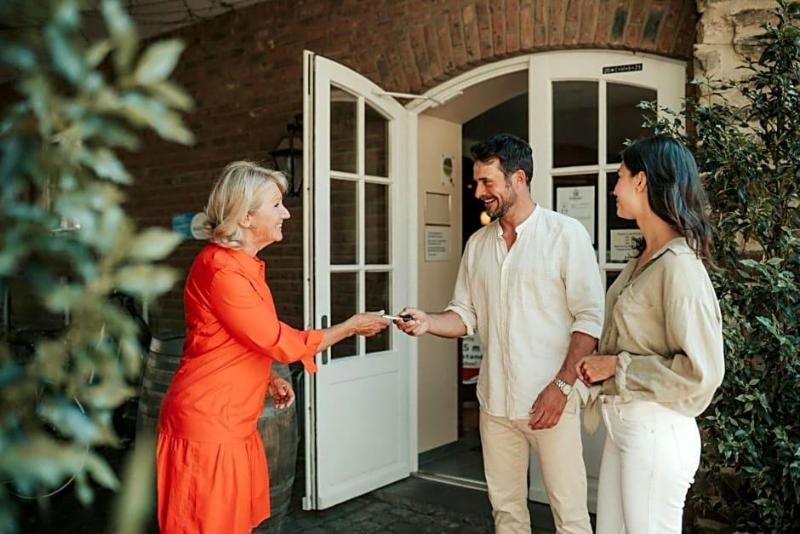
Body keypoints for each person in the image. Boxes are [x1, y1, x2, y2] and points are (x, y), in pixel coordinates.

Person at [156, 161, 389, 534]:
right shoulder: (223, 270)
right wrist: (349, 328)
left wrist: (267, 378)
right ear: (246, 217)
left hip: (231, 422)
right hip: (209, 424)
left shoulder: (240, 265)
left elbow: (236, 338)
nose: (286, 213)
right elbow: (276, 340)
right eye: (276, 205)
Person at [396, 134, 604, 534]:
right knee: (506, 513)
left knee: (571, 515)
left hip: (550, 401)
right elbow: (464, 315)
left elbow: (589, 320)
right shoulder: (477, 245)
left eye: (487, 182)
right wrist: (427, 321)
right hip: (495, 405)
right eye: (477, 182)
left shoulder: (565, 235)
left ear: (518, 179)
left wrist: (562, 387)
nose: (478, 192)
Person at [576, 136, 725, 533]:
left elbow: (702, 372)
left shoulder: (680, 266)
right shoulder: (645, 259)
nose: (614, 189)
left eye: (620, 177)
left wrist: (616, 366)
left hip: (657, 430)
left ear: (641, 181)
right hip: (625, 426)